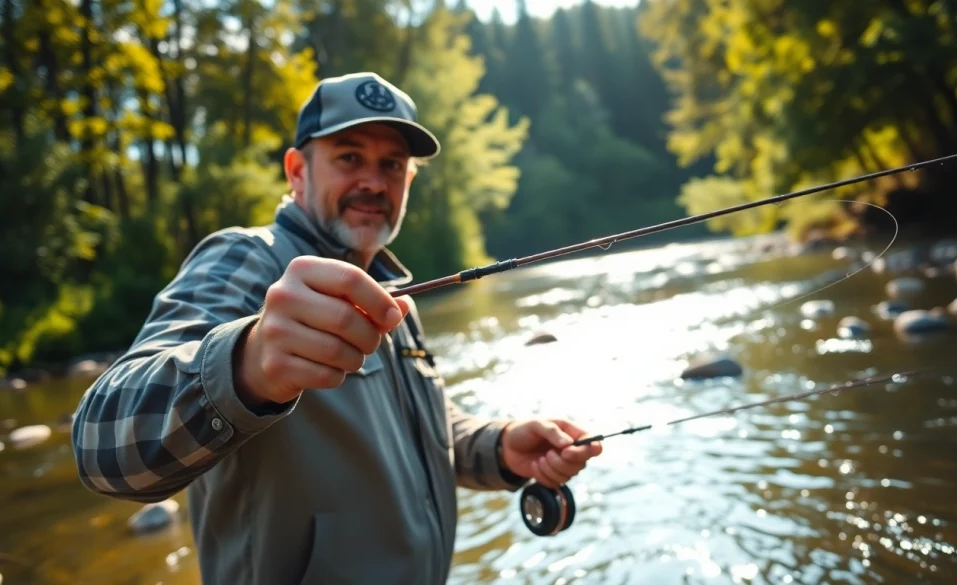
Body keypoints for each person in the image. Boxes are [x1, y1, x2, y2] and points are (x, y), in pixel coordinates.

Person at [70, 71, 603, 584]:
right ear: (297, 171)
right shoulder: (245, 259)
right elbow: (103, 449)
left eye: (392, 165)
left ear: (409, 181)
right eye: (350, 158)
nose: (373, 181)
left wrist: (501, 446)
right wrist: (247, 365)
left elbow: (425, 430)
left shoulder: (398, 299)